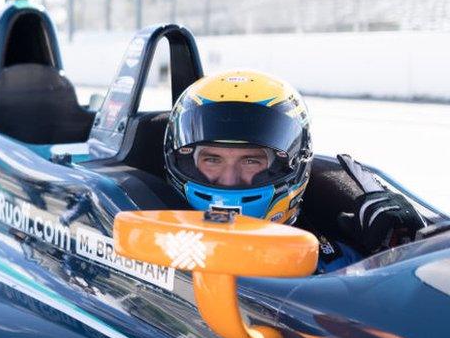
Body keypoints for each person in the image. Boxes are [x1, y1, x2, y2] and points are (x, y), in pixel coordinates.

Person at [164, 70, 424, 272]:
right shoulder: (140, 244)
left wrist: (405, 255)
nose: (229, 180)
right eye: (212, 159)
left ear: (293, 164)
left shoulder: (338, 265)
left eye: (251, 161)